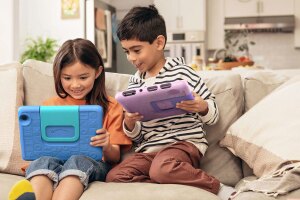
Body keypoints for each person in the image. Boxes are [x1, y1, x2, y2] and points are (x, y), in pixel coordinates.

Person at [106, 4, 223, 196]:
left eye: (136, 50)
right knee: (115, 176)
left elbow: (213, 115)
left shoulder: (182, 73)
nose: (131, 58)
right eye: (127, 51)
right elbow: (137, 136)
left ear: (159, 43)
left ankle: (217, 187)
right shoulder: (134, 83)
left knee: (163, 168)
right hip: (149, 151)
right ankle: (163, 179)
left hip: (183, 144)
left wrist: (202, 106)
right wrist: (129, 122)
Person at [9, 38, 131, 200]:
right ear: (58, 75)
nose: (75, 85)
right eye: (67, 78)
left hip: (91, 163)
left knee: (77, 160)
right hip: (53, 160)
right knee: (43, 161)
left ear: (98, 72)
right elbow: (38, 148)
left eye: (83, 77)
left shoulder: (111, 106)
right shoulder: (49, 105)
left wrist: (107, 145)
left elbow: (114, 157)